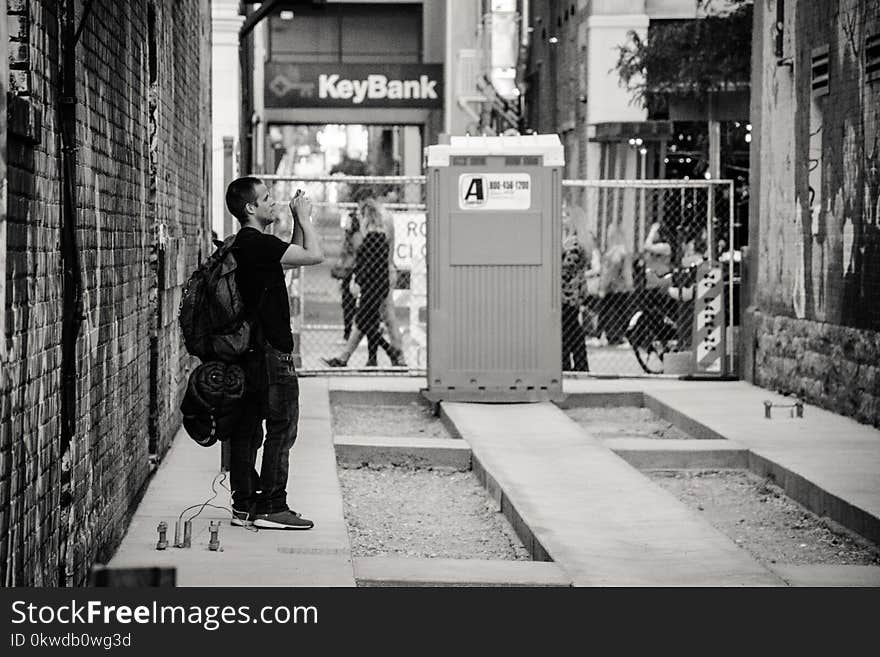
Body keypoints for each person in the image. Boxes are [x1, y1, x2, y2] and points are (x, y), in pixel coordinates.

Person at [225, 176, 324, 530]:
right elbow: (314, 255)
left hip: (250, 353)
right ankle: (272, 506)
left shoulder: (245, 245)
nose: (274, 203)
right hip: (271, 353)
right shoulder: (257, 244)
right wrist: (306, 218)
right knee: (282, 426)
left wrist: (297, 223)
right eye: (266, 198)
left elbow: (292, 258)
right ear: (250, 208)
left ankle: (244, 504)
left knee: (248, 426)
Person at [321, 198, 406, 367]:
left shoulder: (374, 234)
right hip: (380, 280)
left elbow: (365, 260)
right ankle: (387, 355)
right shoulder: (381, 228)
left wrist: (356, 279)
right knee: (369, 321)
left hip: (374, 283)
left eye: (361, 216)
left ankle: (394, 354)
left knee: (368, 321)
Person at [561, 220, 590, 371]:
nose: (571, 263)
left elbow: (583, 294)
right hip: (563, 312)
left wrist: (578, 301)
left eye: (575, 260)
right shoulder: (558, 274)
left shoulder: (579, 275)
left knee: (577, 339)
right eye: (569, 258)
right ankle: (565, 366)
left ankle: (581, 367)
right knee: (565, 339)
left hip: (572, 312)